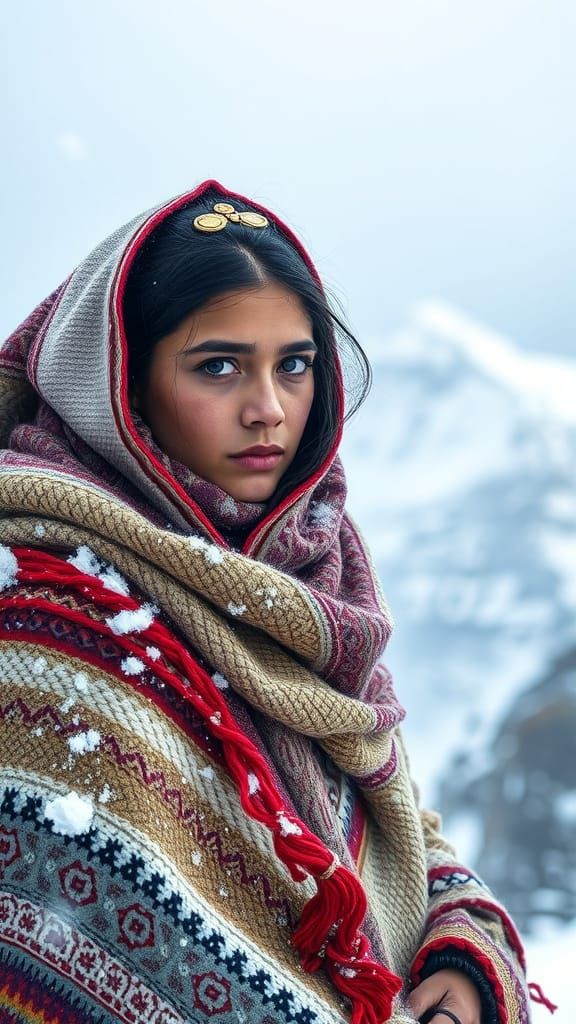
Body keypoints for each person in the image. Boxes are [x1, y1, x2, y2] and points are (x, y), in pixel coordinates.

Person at [0, 181, 539, 1024]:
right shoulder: (51, 625)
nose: (269, 410)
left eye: (294, 365)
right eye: (218, 366)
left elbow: (396, 830)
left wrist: (466, 952)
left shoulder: (302, 583)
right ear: (121, 383)